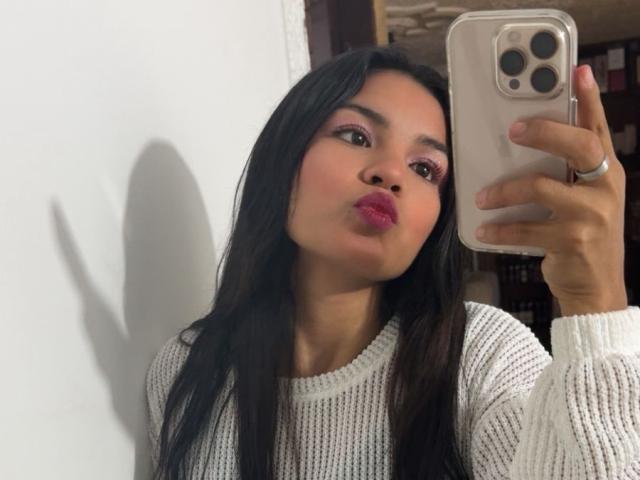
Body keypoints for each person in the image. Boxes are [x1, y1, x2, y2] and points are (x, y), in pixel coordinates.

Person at [145, 46, 640, 479]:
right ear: (285, 154)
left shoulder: (482, 356)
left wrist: (596, 309)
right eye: (357, 136)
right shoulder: (186, 372)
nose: (391, 174)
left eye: (425, 168)